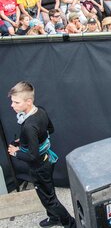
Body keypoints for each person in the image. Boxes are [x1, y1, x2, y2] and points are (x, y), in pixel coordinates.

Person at [7, 81, 76, 227]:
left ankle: (71, 224)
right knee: (48, 193)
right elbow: (49, 130)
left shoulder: (29, 126)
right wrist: (25, 140)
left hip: (39, 168)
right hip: (47, 161)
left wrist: (16, 152)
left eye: (16, 102)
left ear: (29, 101)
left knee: (48, 199)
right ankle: (54, 218)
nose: (12, 105)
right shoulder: (41, 111)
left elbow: (33, 156)